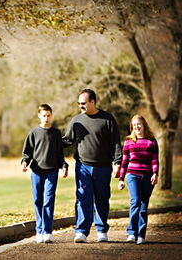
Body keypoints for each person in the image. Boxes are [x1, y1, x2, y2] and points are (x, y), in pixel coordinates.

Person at [62, 89, 122, 243]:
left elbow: (115, 142)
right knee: (82, 198)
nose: (80, 106)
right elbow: (67, 140)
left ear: (92, 102)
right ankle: (81, 232)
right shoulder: (76, 120)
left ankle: (102, 231)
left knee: (102, 199)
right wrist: (49, 140)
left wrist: (117, 163)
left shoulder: (107, 119)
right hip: (82, 166)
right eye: (79, 104)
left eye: (83, 103)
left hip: (103, 167)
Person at [21, 103, 69, 243]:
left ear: (51, 115)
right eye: (43, 116)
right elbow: (27, 153)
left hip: (52, 172)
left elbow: (60, 154)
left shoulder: (56, 133)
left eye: (48, 116)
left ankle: (47, 232)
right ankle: (39, 230)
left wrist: (64, 166)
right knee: (38, 201)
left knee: (48, 201)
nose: (46, 118)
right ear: (39, 116)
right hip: (36, 172)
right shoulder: (33, 133)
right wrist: (25, 163)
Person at [118, 115, 159, 245]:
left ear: (144, 125)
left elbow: (154, 160)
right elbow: (124, 162)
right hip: (132, 175)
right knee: (135, 201)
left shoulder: (152, 141)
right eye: (134, 125)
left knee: (143, 206)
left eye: (139, 124)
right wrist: (121, 179)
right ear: (132, 127)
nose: (136, 126)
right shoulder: (129, 141)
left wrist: (155, 173)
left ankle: (141, 235)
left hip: (147, 176)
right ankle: (131, 233)